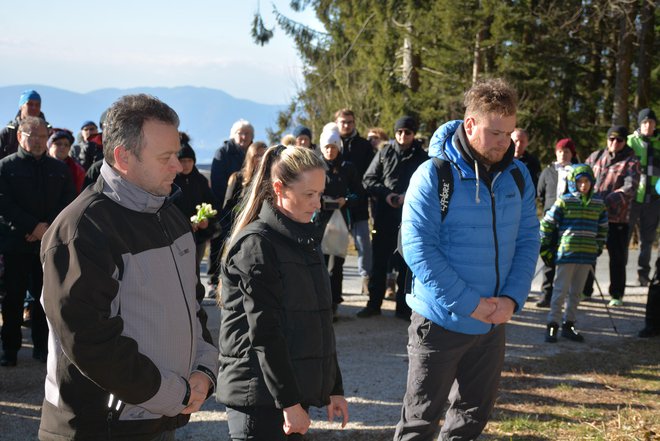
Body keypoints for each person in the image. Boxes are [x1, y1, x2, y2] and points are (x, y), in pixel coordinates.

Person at [38, 94, 218, 440]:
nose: (178, 167)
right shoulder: (82, 231)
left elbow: (193, 307)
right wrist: (172, 393)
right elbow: (88, 339)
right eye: (165, 157)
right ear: (123, 157)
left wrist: (204, 370)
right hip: (99, 429)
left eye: (177, 155)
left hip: (160, 420)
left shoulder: (172, 217)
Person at [395, 78, 539, 440]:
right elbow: (418, 249)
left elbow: (527, 240)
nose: (503, 143)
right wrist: (469, 303)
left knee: (473, 417)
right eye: (494, 132)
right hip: (440, 321)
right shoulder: (434, 175)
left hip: (492, 323)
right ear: (470, 125)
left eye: (508, 133)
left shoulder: (518, 176)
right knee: (419, 422)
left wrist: (511, 300)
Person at [217, 144, 349, 440]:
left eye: (320, 194)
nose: (318, 204)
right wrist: (289, 403)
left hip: (285, 394)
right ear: (279, 188)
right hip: (259, 399)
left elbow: (319, 321)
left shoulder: (304, 238)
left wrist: (333, 387)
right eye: (309, 195)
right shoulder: (257, 245)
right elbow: (265, 332)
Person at [0, 116, 76, 367]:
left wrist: (45, 228)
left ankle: (44, 348)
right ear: (20, 136)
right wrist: (32, 226)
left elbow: (68, 205)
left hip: (48, 245)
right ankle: (10, 349)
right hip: (15, 243)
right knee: (13, 299)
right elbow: (4, 204)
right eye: (33, 136)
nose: (39, 142)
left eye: (43, 137)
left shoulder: (59, 169)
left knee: (46, 298)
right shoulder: (6, 167)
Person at [358, 115, 428, 319]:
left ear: (413, 133)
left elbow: (428, 183)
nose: (403, 136)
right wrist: (386, 194)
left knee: (407, 264)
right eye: (399, 132)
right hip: (385, 216)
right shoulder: (384, 153)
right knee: (379, 262)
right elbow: (368, 179)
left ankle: (404, 308)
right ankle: (374, 304)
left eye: (407, 132)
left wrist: (409, 195)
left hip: (410, 218)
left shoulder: (422, 157)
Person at [539, 164, 608, 342]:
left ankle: (569, 324)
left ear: (592, 182)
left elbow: (603, 228)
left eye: (587, 181)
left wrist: (598, 246)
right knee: (560, 291)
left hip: (586, 255)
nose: (584, 185)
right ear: (573, 183)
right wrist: (546, 245)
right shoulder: (565, 201)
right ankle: (552, 325)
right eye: (580, 182)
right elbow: (546, 223)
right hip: (567, 254)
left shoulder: (598, 204)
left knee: (576, 293)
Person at [584, 126, 641, 306]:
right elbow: (581, 177)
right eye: (611, 139)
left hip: (617, 218)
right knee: (588, 255)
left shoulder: (631, 161)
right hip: (592, 216)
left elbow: (630, 188)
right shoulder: (595, 156)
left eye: (619, 140)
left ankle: (616, 294)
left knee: (617, 258)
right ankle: (585, 290)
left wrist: (608, 200)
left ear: (625, 142)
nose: (614, 143)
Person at [316, 124, 365, 318]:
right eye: (327, 147)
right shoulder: (315, 166)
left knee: (337, 266)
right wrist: (320, 200)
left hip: (341, 223)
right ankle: (321, 303)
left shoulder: (348, 168)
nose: (330, 151)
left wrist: (345, 200)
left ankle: (334, 303)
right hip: (319, 222)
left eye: (333, 147)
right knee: (320, 263)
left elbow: (359, 194)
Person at [208, 119, 254, 293]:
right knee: (218, 243)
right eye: (240, 133)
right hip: (224, 207)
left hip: (246, 208)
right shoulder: (223, 153)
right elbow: (218, 182)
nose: (243, 136)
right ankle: (213, 281)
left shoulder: (253, 152)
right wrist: (227, 205)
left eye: (247, 133)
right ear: (233, 135)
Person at [335, 109, 374, 293]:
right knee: (334, 247)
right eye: (343, 122)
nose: (346, 125)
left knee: (363, 244)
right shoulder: (330, 145)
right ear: (337, 123)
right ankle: (334, 287)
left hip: (358, 203)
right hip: (336, 207)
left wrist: (361, 191)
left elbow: (371, 173)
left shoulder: (364, 146)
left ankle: (366, 279)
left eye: (350, 122)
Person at [535, 138, 576, 307]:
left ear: (572, 154)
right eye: (560, 151)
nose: (563, 154)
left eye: (566, 151)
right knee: (548, 257)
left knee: (568, 260)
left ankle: (567, 295)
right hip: (550, 221)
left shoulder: (577, 171)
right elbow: (540, 193)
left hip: (570, 221)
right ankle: (546, 294)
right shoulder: (547, 171)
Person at [173, 132, 221, 273]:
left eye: (189, 161)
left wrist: (206, 220)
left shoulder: (200, 181)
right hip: (176, 235)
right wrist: (185, 223)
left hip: (199, 236)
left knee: (194, 270)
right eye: (182, 161)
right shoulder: (170, 181)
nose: (186, 164)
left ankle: (196, 295)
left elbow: (213, 204)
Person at [627, 108, 660, 287]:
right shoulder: (630, 141)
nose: (648, 125)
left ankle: (643, 275)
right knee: (624, 238)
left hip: (654, 199)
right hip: (633, 198)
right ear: (640, 124)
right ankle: (620, 278)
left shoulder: (659, 142)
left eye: (651, 122)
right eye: (645, 122)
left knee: (647, 240)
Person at [223, 141, 268, 228]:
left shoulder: (271, 180)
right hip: (239, 227)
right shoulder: (237, 178)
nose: (260, 159)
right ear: (250, 158)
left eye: (263, 156)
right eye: (256, 156)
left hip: (263, 228)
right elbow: (227, 209)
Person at [0, 90, 52, 159]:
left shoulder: (50, 132)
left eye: (37, 105)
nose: (34, 108)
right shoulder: (8, 133)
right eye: (30, 104)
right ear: (21, 107)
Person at [47, 129, 86, 193]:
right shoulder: (39, 164)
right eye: (58, 144)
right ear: (49, 146)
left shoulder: (78, 170)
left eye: (66, 145)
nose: (63, 147)